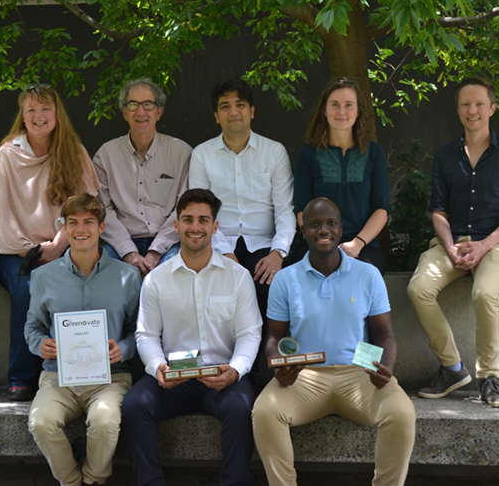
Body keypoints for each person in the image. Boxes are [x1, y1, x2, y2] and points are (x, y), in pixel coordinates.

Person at [252, 198, 416, 486]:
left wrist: (385, 366)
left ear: (341, 230)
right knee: (265, 412)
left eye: (330, 224)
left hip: (360, 371)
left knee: (401, 414)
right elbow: (274, 338)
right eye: (314, 225)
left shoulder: (367, 274)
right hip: (303, 376)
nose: (323, 230)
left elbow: (385, 334)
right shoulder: (285, 279)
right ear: (303, 232)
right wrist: (280, 365)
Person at [121, 189, 262, 486]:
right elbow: (146, 334)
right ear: (176, 225)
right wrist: (158, 368)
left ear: (215, 226)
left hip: (222, 375)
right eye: (187, 219)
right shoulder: (157, 279)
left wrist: (236, 370)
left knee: (240, 408)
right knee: (134, 404)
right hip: (175, 377)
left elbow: (249, 332)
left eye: (203, 220)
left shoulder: (238, 276)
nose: (195, 227)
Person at [407, 76, 499, 408]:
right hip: (451, 243)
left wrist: (484, 245)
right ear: (458, 109)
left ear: (491, 108)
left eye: (478, 104)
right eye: (465, 104)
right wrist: (448, 247)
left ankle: (488, 378)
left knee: (485, 293)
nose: (471, 110)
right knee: (418, 289)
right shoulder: (446, 156)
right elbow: (438, 209)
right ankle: (451, 368)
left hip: (497, 245)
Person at [0, 84, 99, 401]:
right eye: (30, 109)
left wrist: (58, 246)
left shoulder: (74, 153)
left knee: (89, 278)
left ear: (57, 114)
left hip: (62, 244)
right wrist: (32, 252)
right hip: (13, 250)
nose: (38, 115)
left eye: (45, 108)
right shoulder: (7, 155)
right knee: (27, 288)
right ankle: (22, 376)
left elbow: (85, 207)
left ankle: (81, 371)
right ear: (23, 116)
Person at [25, 193, 140, 486]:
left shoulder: (128, 276)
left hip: (111, 378)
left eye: (89, 222)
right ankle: (71, 481)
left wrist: (123, 349)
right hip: (58, 377)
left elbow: (139, 331)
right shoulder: (43, 276)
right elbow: (32, 327)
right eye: (73, 222)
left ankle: (93, 480)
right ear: (64, 228)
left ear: (102, 228)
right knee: (41, 421)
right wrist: (40, 344)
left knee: (104, 422)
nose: (80, 229)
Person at [189, 78, 296, 317]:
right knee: (216, 302)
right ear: (216, 116)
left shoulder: (274, 151)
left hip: (264, 247)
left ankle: (267, 354)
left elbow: (284, 209)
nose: (233, 111)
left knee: (272, 293)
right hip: (216, 246)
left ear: (252, 111)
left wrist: (278, 253)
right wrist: (224, 254)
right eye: (225, 106)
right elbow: (199, 214)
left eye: (240, 104)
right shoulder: (202, 155)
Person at [93, 77, 192, 277]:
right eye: (133, 104)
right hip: (122, 242)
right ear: (124, 113)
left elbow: (184, 209)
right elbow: (103, 210)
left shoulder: (181, 153)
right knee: (104, 275)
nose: (140, 112)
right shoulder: (106, 155)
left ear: (159, 112)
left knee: (173, 276)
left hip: (169, 243)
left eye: (148, 104)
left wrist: (156, 252)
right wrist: (128, 252)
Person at [292, 77, 390, 275]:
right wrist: (323, 244)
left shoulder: (374, 153)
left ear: (358, 112)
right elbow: (301, 209)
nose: (341, 112)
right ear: (324, 111)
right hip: (316, 243)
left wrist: (356, 244)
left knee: (363, 274)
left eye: (348, 105)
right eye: (335, 105)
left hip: (363, 245)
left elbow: (381, 209)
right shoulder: (308, 154)